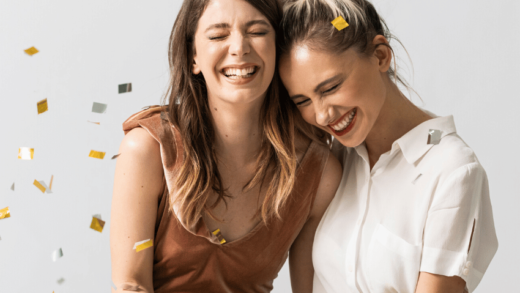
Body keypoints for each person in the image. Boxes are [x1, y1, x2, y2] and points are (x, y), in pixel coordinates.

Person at [110, 0, 342, 292]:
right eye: (218, 35)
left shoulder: (318, 173)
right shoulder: (147, 149)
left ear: (277, 48)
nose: (239, 48)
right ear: (193, 56)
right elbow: (131, 285)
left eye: (257, 32)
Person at [277, 0, 498, 292]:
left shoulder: (453, 173)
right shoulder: (331, 163)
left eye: (330, 87)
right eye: (302, 101)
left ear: (381, 56)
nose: (321, 115)